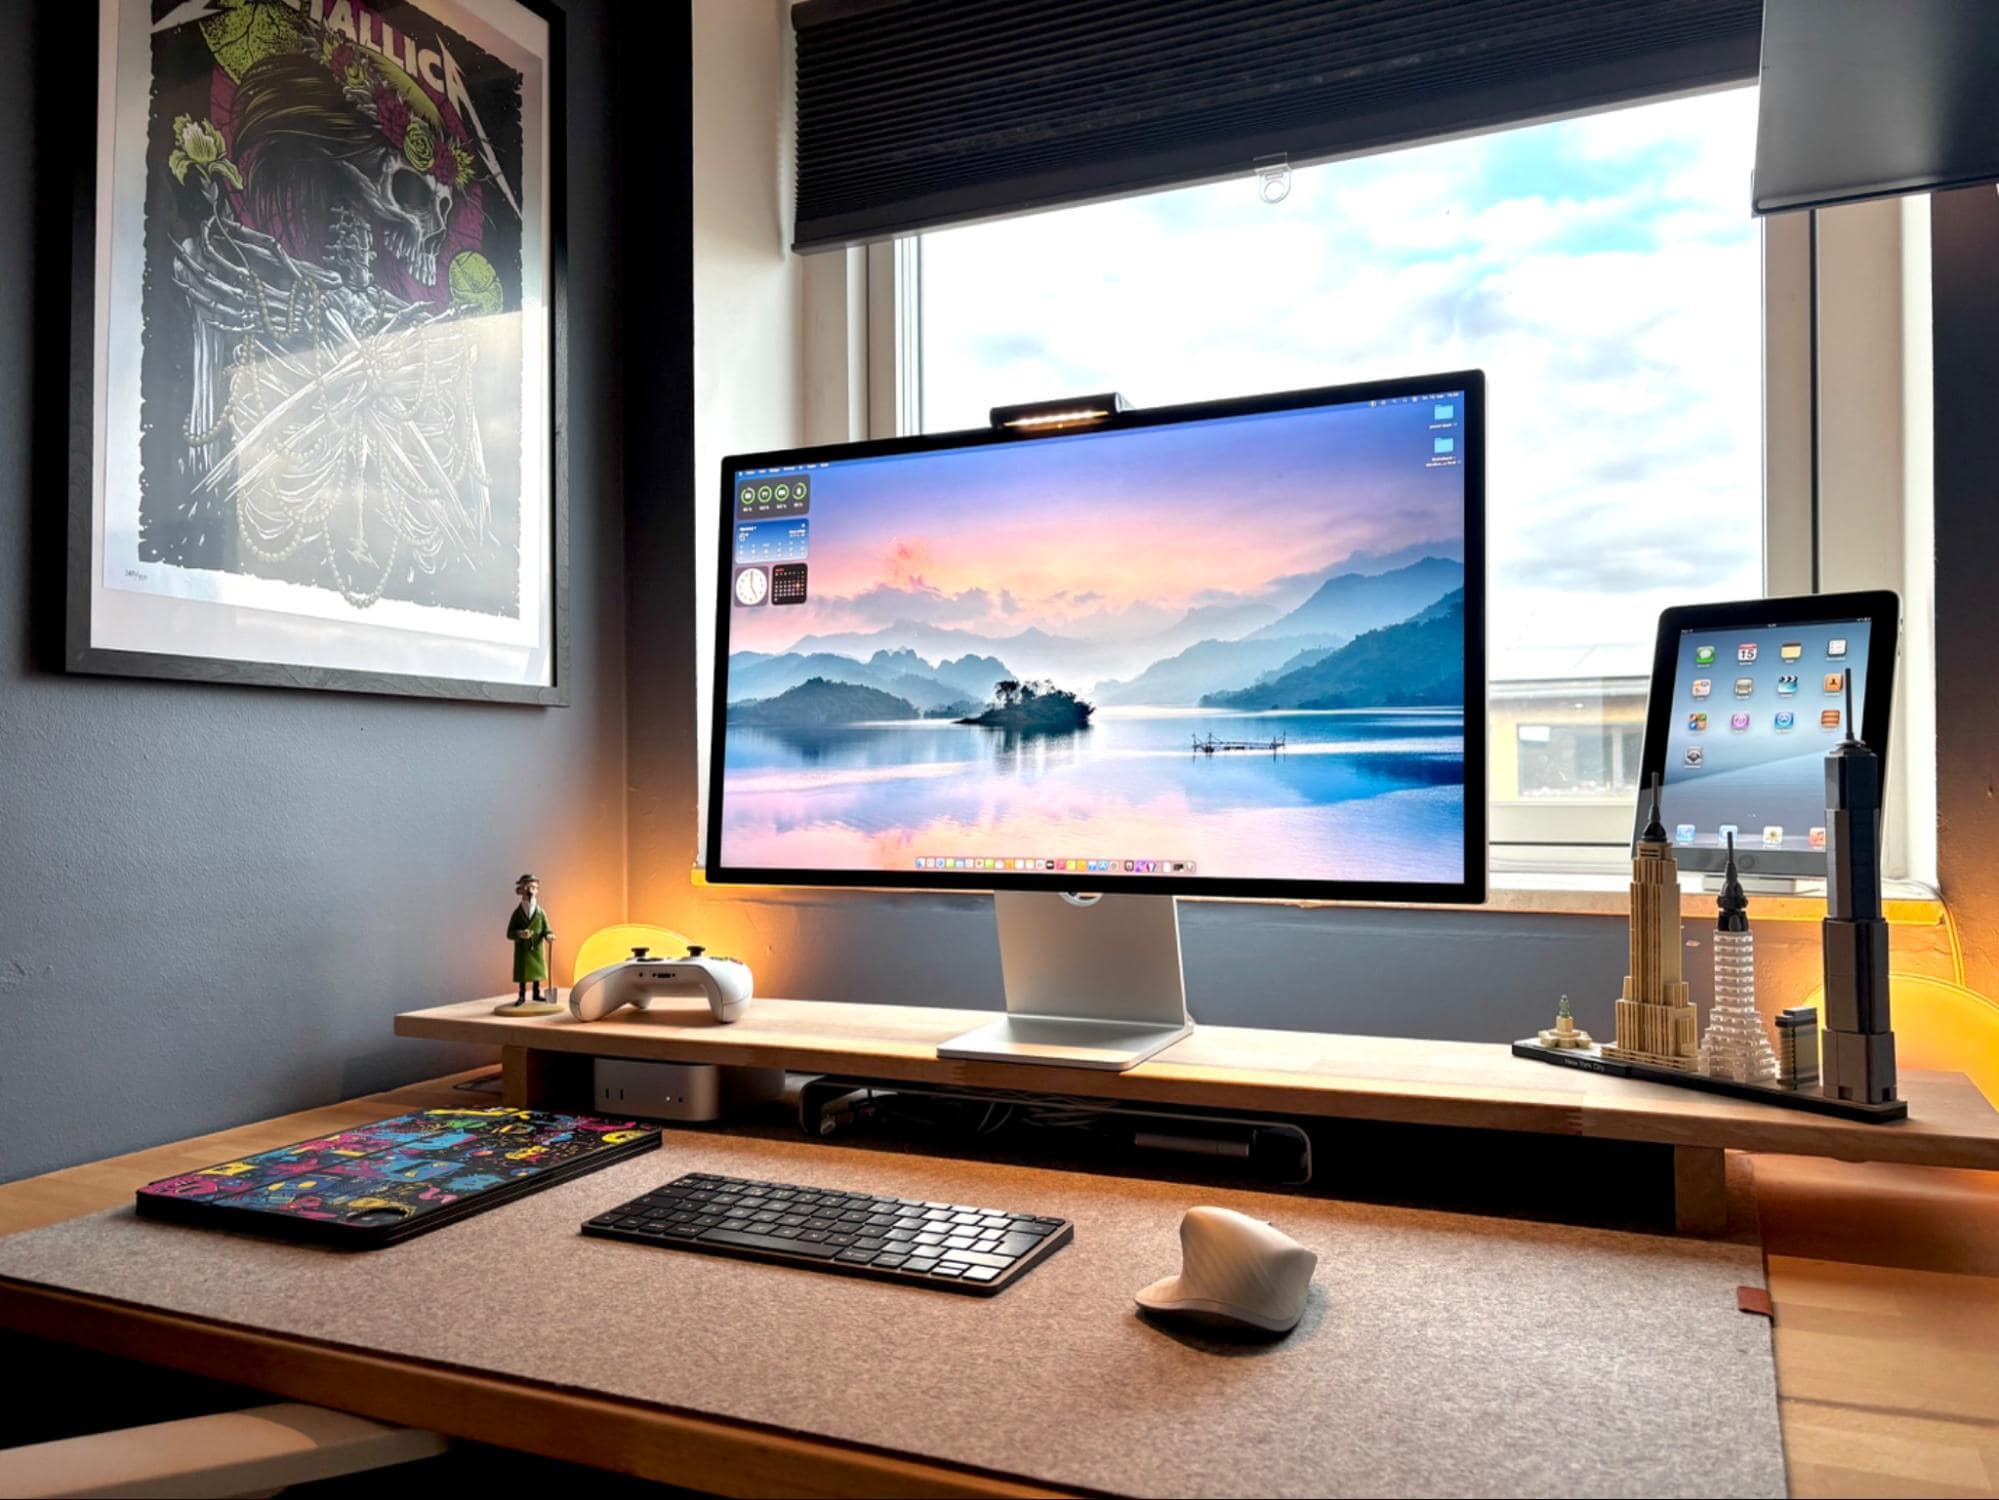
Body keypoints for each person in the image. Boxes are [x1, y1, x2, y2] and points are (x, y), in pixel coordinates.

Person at [507, 874, 555, 1007]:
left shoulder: (541, 912)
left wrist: (549, 935)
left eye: (533, 887)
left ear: (537, 890)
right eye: (527, 887)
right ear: (520, 890)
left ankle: (536, 993)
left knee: (536, 972)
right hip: (523, 949)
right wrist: (519, 934)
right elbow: (509, 933)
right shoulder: (517, 913)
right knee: (523, 973)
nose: (530, 890)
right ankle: (521, 995)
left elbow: (547, 928)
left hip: (536, 948)